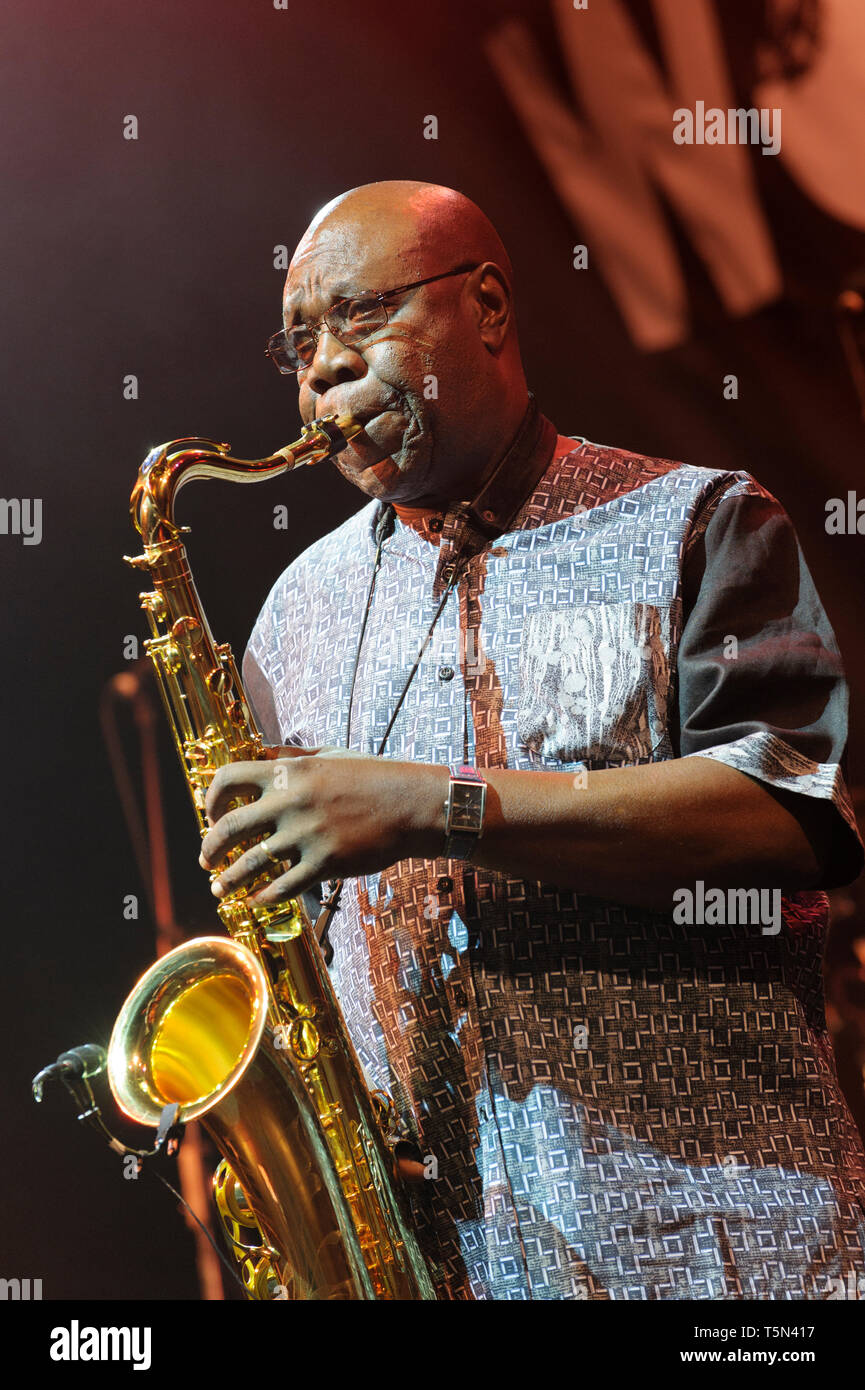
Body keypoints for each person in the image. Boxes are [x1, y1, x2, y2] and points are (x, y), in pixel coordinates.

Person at [198, 179, 865, 1300]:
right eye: (297, 341)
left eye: (358, 316)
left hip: (722, 1256)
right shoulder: (289, 614)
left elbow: (796, 817)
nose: (320, 365)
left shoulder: (697, 520)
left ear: (491, 306)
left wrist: (433, 805)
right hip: (440, 1269)